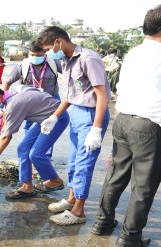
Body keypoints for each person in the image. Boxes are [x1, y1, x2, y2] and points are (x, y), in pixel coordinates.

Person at [91, 5, 161, 247]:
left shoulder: (134, 53)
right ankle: (131, 236)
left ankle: (103, 221)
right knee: (144, 184)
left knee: (116, 174)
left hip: (123, 119)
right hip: (149, 124)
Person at [35, 26, 111, 225]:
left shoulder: (88, 59)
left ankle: (79, 212)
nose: (48, 53)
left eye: (48, 48)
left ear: (59, 42)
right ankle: (71, 199)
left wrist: (95, 129)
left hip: (92, 115)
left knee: (84, 164)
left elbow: (102, 95)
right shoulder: (66, 61)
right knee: (73, 162)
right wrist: (54, 117)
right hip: (76, 113)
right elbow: (70, 96)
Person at [0, 84, 68, 200]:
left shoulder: (13, 105)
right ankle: (27, 186)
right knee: (23, 148)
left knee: (36, 154)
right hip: (42, 118)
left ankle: (55, 180)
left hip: (57, 118)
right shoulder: (14, 90)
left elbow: (7, 137)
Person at [2, 41, 62, 160]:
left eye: (38, 55)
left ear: (45, 53)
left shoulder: (53, 63)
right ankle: (29, 154)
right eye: (32, 55)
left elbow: (71, 73)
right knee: (29, 129)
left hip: (51, 102)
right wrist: (4, 103)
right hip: (30, 104)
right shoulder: (23, 66)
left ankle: (45, 157)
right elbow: (7, 82)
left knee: (48, 129)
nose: (35, 58)